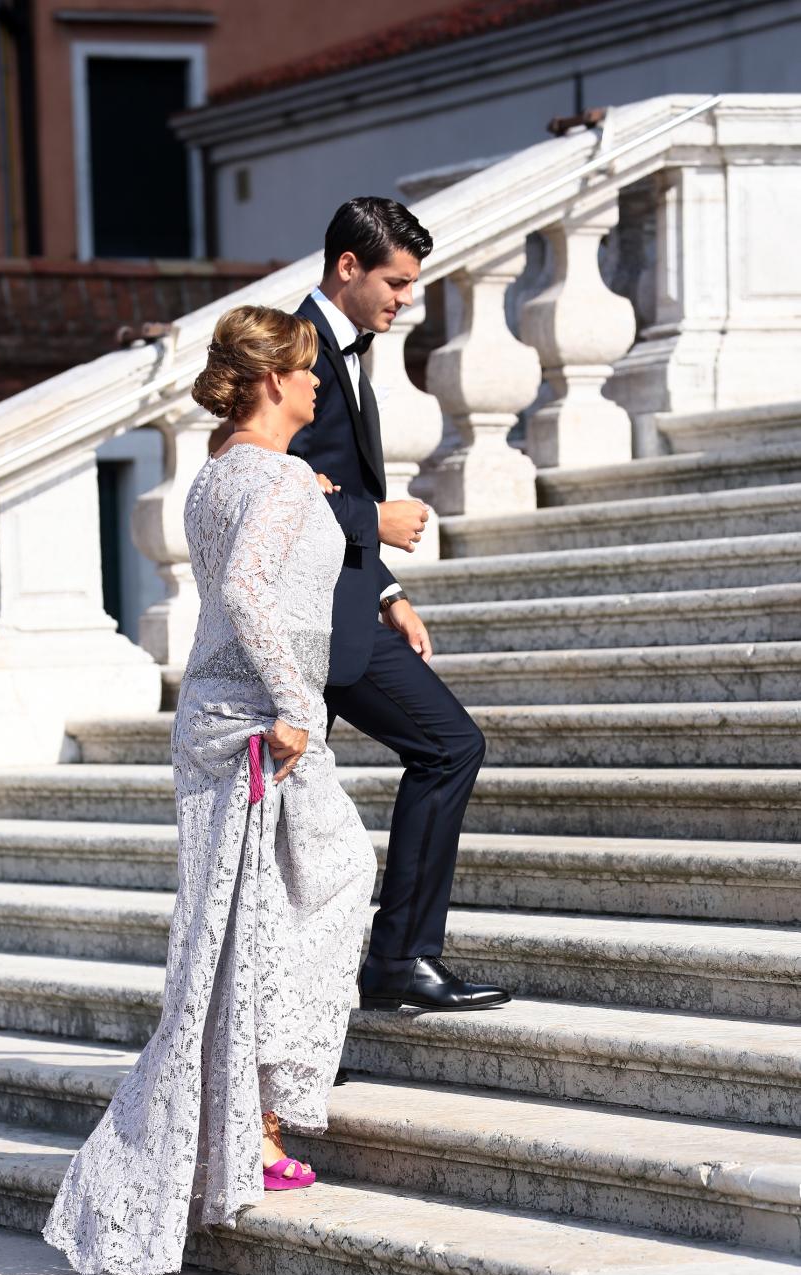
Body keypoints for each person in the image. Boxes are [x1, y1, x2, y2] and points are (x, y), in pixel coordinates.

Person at [43, 306, 378, 1275]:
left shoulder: (221, 473)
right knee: (324, 882)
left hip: (223, 717)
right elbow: (244, 593)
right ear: (272, 378)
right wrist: (294, 705)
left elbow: (250, 565)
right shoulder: (271, 476)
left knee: (243, 930)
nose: (319, 387)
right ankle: (245, 1124)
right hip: (258, 722)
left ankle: (251, 1128)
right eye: (308, 372)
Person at [290, 197, 511, 1014]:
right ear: (348, 265)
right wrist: (369, 522)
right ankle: (394, 962)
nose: (406, 300)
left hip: (349, 605)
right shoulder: (294, 351)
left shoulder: (351, 347)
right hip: (307, 624)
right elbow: (259, 485)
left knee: (299, 822)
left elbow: (328, 478)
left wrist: (386, 588)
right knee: (448, 746)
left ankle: (372, 975)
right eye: (396, 281)